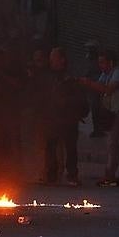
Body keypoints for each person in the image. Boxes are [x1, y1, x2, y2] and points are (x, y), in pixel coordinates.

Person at [38, 47, 88, 186]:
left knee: (70, 148)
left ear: (62, 59)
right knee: (50, 146)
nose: (51, 60)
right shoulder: (47, 76)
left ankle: (72, 175)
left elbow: (79, 97)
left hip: (69, 118)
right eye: (51, 58)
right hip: (53, 118)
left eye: (54, 58)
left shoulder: (71, 77)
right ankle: (51, 175)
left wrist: (67, 103)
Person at [79, 50, 119, 186]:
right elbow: (99, 87)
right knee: (114, 143)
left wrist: (89, 83)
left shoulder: (117, 73)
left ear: (111, 62)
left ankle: (111, 174)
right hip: (113, 113)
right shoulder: (105, 74)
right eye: (99, 62)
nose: (101, 65)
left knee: (113, 143)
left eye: (103, 62)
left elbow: (108, 89)